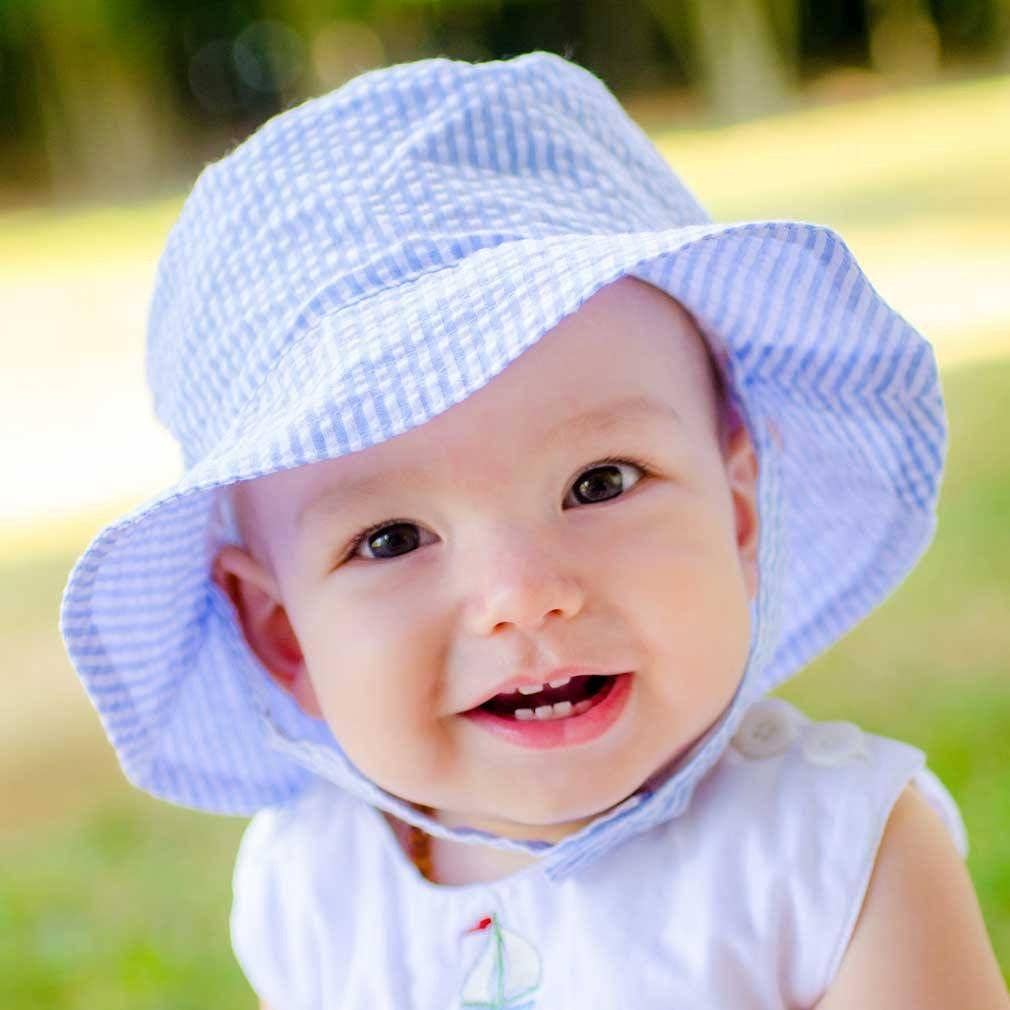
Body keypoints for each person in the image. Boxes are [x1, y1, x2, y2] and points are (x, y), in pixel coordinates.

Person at [59, 52, 1008, 1009]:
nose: (522, 594)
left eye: (600, 482)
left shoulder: (838, 853)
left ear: (739, 512)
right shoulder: (310, 885)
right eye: (390, 539)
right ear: (280, 631)